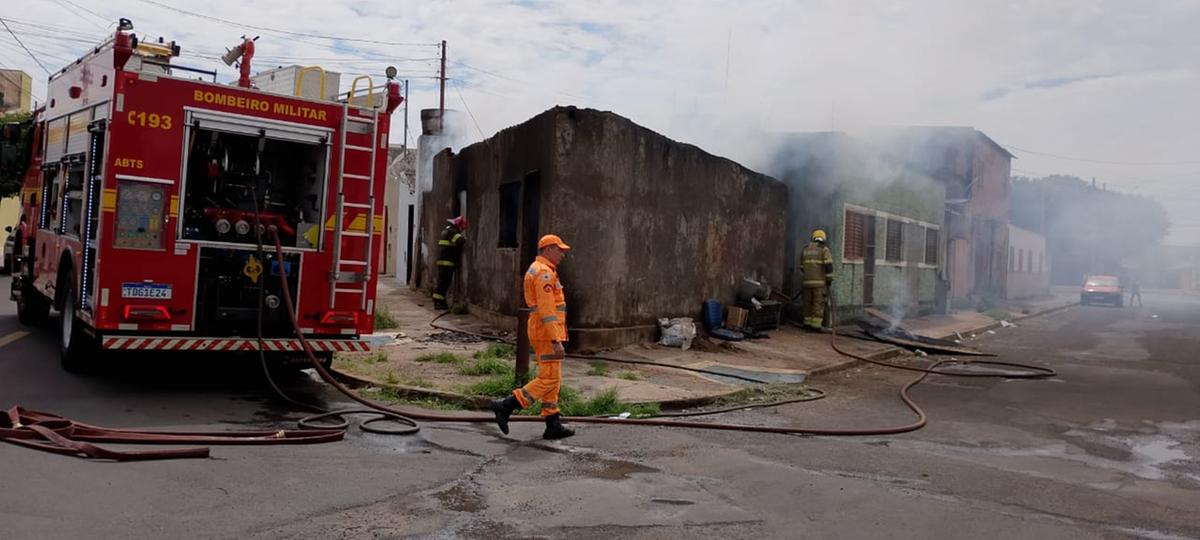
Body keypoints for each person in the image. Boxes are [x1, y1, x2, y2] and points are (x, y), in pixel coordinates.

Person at [491, 234, 575, 440]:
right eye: (559, 250)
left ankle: (552, 422)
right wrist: (556, 341)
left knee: (553, 379)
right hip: (546, 333)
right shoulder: (544, 274)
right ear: (548, 250)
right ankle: (507, 404)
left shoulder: (541, 270)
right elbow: (547, 311)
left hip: (544, 331)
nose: (563, 254)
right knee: (548, 379)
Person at [800, 229, 835, 330]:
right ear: (823, 238)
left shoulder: (805, 249)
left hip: (806, 283)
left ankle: (806, 324)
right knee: (817, 304)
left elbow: (802, 267)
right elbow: (829, 266)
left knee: (807, 303)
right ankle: (815, 326)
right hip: (819, 284)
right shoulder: (824, 249)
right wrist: (829, 279)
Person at [432, 216, 467, 310]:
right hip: (447, 263)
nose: (462, 230)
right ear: (458, 225)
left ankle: (439, 301)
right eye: (462, 228)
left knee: (441, 282)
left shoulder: (446, 231)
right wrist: (465, 239)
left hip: (442, 262)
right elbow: (460, 241)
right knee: (444, 283)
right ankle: (438, 302)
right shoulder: (453, 232)